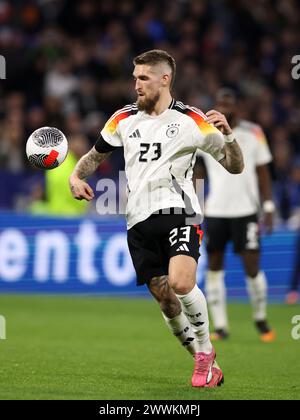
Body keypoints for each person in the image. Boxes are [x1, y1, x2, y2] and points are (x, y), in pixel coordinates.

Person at [69, 50, 244, 387]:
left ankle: (206, 351)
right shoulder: (123, 119)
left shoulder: (192, 120)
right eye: (135, 77)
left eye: (143, 78)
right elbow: (94, 156)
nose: (136, 84)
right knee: (165, 297)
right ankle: (204, 362)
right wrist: (77, 177)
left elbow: (235, 166)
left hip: (180, 210)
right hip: (137, 219)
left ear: (165, 79)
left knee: (180, 282)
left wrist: (230, 136)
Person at [194, 88, 276, 343]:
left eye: (228, 103)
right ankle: (220, 326)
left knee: (251, 266)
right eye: (220, 103)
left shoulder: (253, 133)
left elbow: (263, 172)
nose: (224, 108)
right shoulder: (205, 132)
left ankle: (261, 319)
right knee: (215, 268)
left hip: (246, 210)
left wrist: (269, 206)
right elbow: (195, 169)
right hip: (216, 210)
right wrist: (193, 205)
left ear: (237, 107)